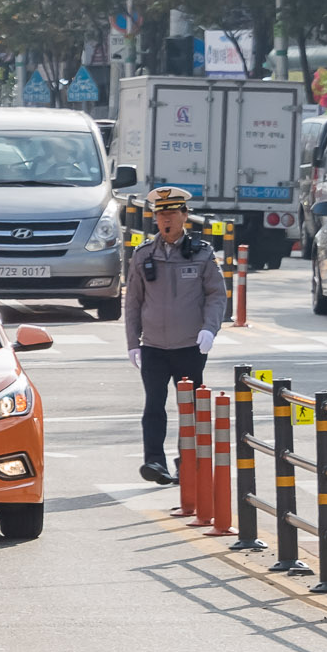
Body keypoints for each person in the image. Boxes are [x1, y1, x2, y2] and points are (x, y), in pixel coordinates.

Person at [121, 186, 228, 484]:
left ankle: (188, 463)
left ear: (184, 216)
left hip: (189, 345)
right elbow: (133, 303)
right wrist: (133, 343)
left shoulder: (202, 254)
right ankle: (154, 462)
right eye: (160, 214)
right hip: (153, 346)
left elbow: (216, 296)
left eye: (171, 213)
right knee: (154, 404)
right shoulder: (143, 255)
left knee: (190, 408)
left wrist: (209, 329)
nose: (166, 220)